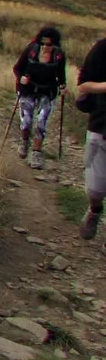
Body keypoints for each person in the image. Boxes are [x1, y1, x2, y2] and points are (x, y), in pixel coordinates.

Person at [12, 26, 67, 169]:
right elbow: (17, 68)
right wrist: (21, 77)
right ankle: (24, 142)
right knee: (27, 120)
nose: (45, 47)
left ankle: (36, 153)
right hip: (28, 88)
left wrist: (62, 86)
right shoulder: (31, 50)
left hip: (47, 91)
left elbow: (61, 74)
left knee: (41, 121)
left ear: (54, 44)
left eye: (49, 44)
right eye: (42, 43)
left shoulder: (58, 55)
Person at [78, 34, 106, 239]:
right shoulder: (102, 49)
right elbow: (83, 85)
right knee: (95, 189)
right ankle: (95, 210)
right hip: (100, 125)